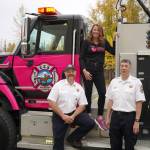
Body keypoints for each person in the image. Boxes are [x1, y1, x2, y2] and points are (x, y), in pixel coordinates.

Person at [47, 64, 95, 150]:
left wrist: (72, 116)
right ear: (65, 73)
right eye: (68, 71)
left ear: (75, 73)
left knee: (90, 123)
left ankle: (73, 138)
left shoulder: (79, 87)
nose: (70, 73)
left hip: (73, 114)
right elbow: (51, 102)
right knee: (58, 140)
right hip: (59, 115)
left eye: (72, 71)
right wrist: (63, 116)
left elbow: (83, 105)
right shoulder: (58, 85)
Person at [79, 23, 115, 130]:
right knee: (88, 93)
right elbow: (81, 58)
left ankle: (100, 117)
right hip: (88, 71)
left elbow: (113, 51)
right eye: (94, 29)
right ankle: (88, 115)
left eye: (98, 30)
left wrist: (114, 40)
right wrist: (84, 70)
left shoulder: (103, 42)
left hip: (99, 71)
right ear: (92, 31)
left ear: (100, 32)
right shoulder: (86, 42)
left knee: (103, 93)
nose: (96, 31)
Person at [105, 59, 145, 150]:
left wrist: (137, 121)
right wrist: (107, 117)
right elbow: (110, 101)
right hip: (115, 116)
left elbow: (139, 102)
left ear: (130, 67)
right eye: (122, 66)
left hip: (129, 117)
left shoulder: (136, 82)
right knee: (114, 144)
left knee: (129, 144)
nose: (123, 68)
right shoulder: (114, 81)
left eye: (126, 66)